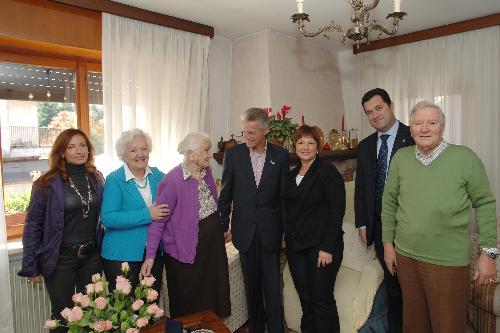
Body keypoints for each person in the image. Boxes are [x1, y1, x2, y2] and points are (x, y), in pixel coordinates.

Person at [382, 101, 497, 333]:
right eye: (418, 123)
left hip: (447, 262)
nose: (425, 129)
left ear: (442, 127)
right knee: (413, 325)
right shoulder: (401, 159)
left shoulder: (465, 158)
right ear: (411, 128)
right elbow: (389, 202)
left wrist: (489, 253)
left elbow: (485, 203)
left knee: (448, 326)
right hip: (406, 257)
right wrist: (387, 245)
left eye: (431, 123)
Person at [18, 128, 104, 332]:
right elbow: (33, 226)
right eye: (71, 146)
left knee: (93, 314)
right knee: (63, 318)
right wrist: (31, 265)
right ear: (61, 152)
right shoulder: (45, 183)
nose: (79, 151)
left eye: (83, 145)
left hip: (92, 257)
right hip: (60, 260)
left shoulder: (96, 178)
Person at [140, 132, 230, 318]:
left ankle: (209, 328)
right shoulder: (172, 180)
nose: (209, 154)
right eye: (205, 150)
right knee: (188, 299)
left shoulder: (207, 173)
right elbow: (159, 221)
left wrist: (222, 228)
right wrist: (150, 256)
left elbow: (213, 203)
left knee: (213, 291)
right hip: (187, 249)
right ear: (190, 153)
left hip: (212, 245)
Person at [219, 108, 289, 333]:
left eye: (251, 133)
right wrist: (223, 226)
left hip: (271, 231)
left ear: (265, 130)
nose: (246, 137)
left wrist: (286, 232)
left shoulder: (280, 156)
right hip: (244, 231)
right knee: (252, 287)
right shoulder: (234, 155)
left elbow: (284, 198)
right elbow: (226, 195)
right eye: (244, 132)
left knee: (272, 286)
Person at [354, 88, 414, 332]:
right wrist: (362, 222)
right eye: (369, 112)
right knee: (393, 286)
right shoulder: (366, 145)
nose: (374, 115)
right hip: (379, 226)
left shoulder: (413, 136)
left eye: (378, 108)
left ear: (390, 105)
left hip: (409, 224)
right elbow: (362, 187)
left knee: (413, 285)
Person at [285, 125, 345, 333]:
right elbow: (288, 211)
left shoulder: (328, 173)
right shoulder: (291, 176)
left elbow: (337, 211)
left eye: (311, 143)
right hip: (297, 248)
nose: (305, 147)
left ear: (318, 147)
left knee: (321, 299)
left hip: (322, 247)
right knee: (306, 298)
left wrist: (327, 247)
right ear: (295, 146)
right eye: (301, 142)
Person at [101, 128, 168, 293]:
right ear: (124, 154)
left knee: (151, 310)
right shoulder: (115, 180)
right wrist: (147, 214)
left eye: (144, 149)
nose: (140, 154)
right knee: (127, 314)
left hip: (153, 254)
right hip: (121, 256)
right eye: (133, 150)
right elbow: (108, 218)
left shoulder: (159, 176)